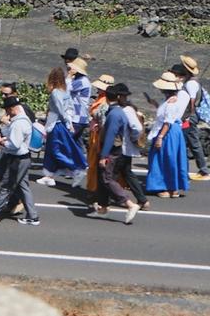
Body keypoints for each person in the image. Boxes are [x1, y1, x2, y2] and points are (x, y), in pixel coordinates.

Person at [0, 88, 38, 225]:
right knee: (23, 187)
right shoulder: (22, 120)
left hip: (17, 159)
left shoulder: (18, 124)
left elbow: (14, 145)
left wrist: (0, 141)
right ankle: (32, 216)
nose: (7, 113)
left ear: (12, 109)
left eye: (7, 110)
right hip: (23, 158)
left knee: (6, 186)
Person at [93, 82, 143, 224]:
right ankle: (103, 207)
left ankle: (129, 203)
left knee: (106, 178)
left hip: (111, 150)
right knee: (102, 178)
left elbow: (110, 136)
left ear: (106, 97)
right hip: (114, 149)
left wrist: (103, 156)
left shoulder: (114, 114)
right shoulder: (118, 111)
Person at [39, 66, 87, 186]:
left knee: (57, 151)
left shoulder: (56, 92)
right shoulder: (65, 91)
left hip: (56, 124)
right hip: (61, 124)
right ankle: (48, 175)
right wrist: (69, 122)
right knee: (52, 150)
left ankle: (76, 169)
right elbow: (69, 108)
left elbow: (60, 110)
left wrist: (66, 122)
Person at [145, 74, 190, 198]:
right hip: (174, 131)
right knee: (171, 159)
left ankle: (164, 187)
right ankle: (172, 188)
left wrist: (160, 137)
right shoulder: (170, 100)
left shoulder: (171, 102)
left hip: (167, 132)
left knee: (162, 159)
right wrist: (154, 103)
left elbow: (167, 121)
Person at [175, 56, 210, 181]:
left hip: (189, 116)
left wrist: (189, 116)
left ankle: (200, 170)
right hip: (191, 116)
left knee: (190, 143)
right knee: (193, 143)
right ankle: (201, 169)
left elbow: (192, 101)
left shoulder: (190, 83)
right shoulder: (192, 81)